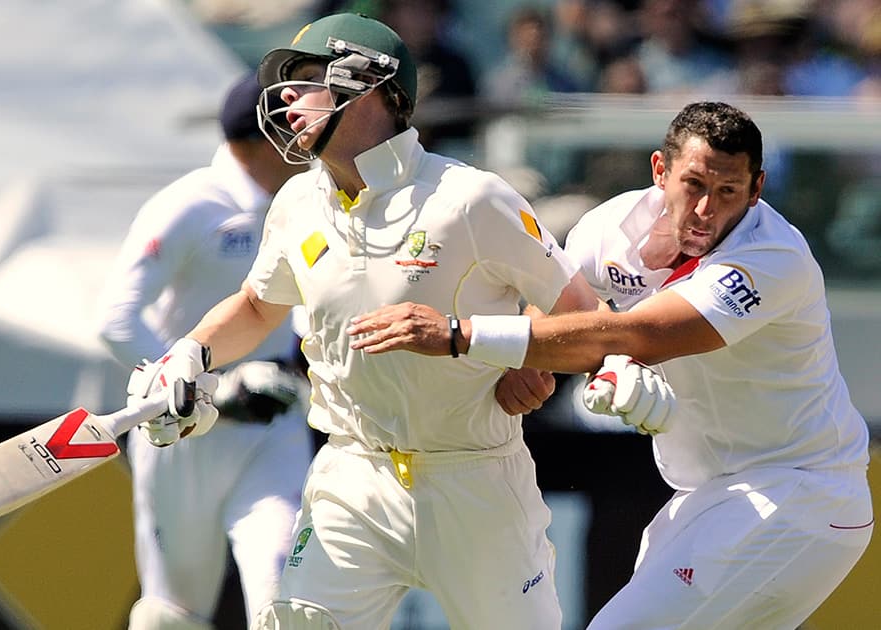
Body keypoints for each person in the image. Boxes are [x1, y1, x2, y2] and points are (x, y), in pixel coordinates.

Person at [119, 12, 669, 630]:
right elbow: (255, 306)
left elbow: (577, 314)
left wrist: (533, 361)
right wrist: (187, 353)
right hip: (351, 475)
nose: (286, 101)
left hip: (474, 478)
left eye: (306, 80)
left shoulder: (469, 198)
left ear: (373, 86)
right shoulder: (298, 201)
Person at [348, 101, 875, 629]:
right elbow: (561, 304)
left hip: (796, 493)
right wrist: (532, 369)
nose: (705, 210)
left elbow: (644, 333)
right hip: (705, 497)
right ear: (660, 171)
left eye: (728, 192)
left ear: (756, 189)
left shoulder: (773, 257)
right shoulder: (608, 228)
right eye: (693, 185)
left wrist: (461, 335)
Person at [96, 73, 313, 629]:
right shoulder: (193, 204)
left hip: (272, 427)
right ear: (263, 140)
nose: (310, 137)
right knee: (175, 614)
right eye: (294, 125)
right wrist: (200, 387)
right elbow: (117, 319)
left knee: (283, 593)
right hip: (183, 435)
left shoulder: (311, 204)